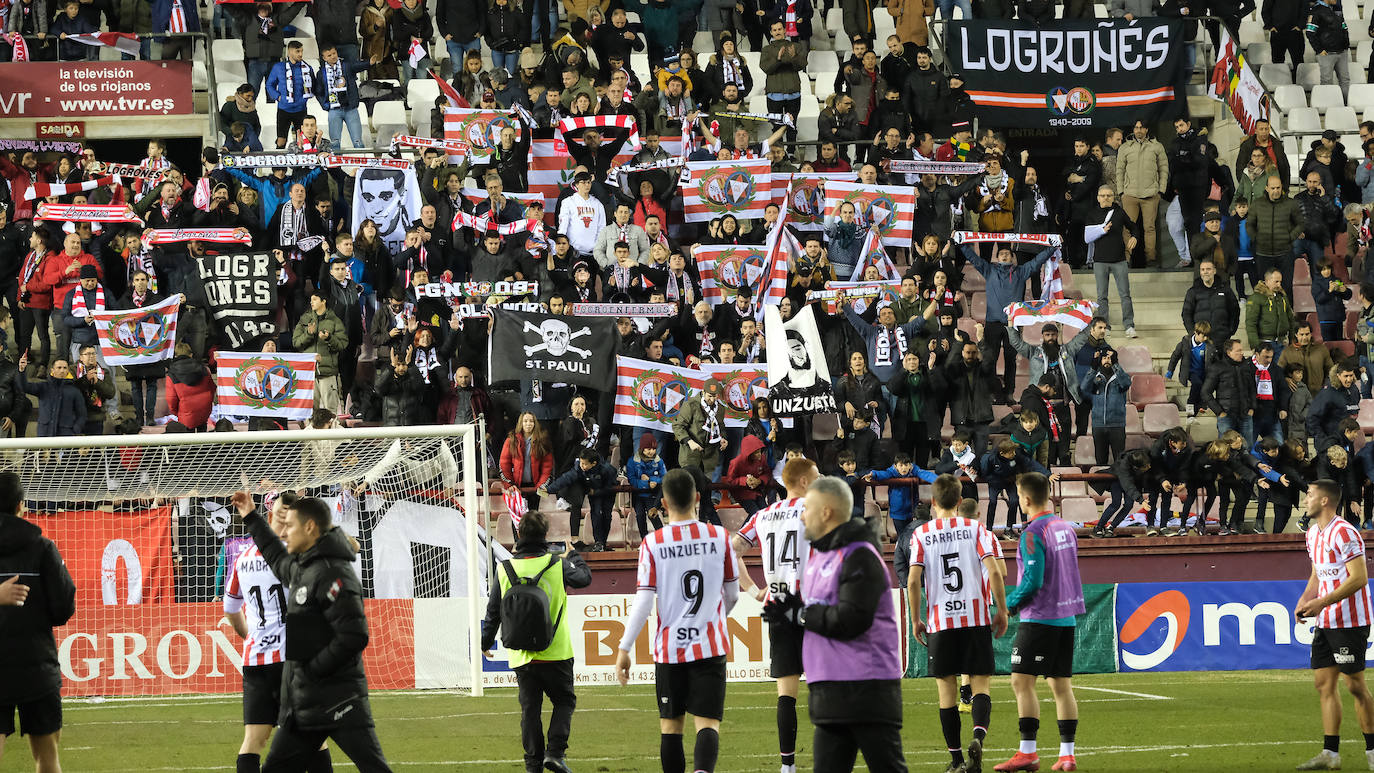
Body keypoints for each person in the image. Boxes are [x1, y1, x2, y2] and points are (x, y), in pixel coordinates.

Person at [228, 491, 394, 773]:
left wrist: (312, 669)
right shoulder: (303, 569)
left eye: (290, 526)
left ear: (309, 528)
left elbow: (354, 635)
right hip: (305, 701)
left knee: (373, 767)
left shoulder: (333, 573)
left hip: (340, 698)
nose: (284, 532)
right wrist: (250, 516)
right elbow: (275, 555)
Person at [765, 475, 906, 772]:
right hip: (830, 692)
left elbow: (851, 619)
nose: (802, 516)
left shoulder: (859, 555)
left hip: (866, 689)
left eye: (807, 508)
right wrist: (791, 613)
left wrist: (800, 615)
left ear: (826, 512)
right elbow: (822, 615)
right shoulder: (822, 557)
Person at [615, 469, 739, 773]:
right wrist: (713, 619)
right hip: (710, 647)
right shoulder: (719, 536)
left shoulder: (653, 543)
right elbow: (733, 594)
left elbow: (644, 601)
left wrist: (624, 647)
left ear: (665, 502)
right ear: (698, 498)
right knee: (708, 724)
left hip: (670, 650)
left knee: (671, 726)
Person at [224, 490, 333, 773]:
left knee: (253, 740)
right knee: (315, 737)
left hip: (256, 660)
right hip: (292, 661)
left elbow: (232, 610)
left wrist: (252, 637)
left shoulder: (243, 559)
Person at [908, 473, 1008, 773]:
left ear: (933, 502)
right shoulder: (977, 529)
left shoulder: (921, 534)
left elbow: (913, 580)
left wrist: (915, 618)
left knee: (946, 693)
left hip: (941, 622)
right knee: (981, 685)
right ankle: (978, 737)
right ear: (961, 501)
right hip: (975, 619)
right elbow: (995, 571)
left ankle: (955, 760)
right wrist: (1001, 610)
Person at [480, 509, 591, 773]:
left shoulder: (505, 568)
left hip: (522, 655)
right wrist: (573, 554)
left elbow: (493, 611)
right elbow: (584, 579)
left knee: (530, 710)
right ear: (545, 535)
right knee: (564, 701)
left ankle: (533, 766)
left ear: (519, 535)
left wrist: (485, 642)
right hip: (557, 651)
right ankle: (555, 752)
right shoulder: (556, 564)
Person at [731, 456, 821, 773]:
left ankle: (787, 766)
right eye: (817, 476)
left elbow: (733, 549)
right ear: (805, 482)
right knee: (829, 682)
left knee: (787, 690)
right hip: (812, 600)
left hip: (778, 601)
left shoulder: (764, 514)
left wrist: (754, 589)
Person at [994, 472, 1083, 773]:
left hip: (1040, 617)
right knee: (1061, 685)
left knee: (1021, 681)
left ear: (1027, 499)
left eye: (1019, 495)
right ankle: (1067, 755)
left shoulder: (1033, 532)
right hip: (1066, 617)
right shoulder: (1065, 527)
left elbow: (1033, 579)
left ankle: (1027, 752)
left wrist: (1009, 605)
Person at [1294, 479, 1374, 771]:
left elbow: (1359, 578)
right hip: (1326, 620)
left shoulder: (1346, 532)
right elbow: (1317, 573)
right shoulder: (1312, 533)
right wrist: (1305, 599)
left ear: (1325, 500)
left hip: (1351, 620)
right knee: (1323, 684)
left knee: (1354, 685)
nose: (1306, 500)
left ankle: (1373, 751)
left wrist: (1321, 603)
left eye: (1310, 495)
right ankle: (1331, 754)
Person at [0, 471, 76, 773]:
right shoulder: (42, 548)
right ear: (21, 505)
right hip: (36, 666)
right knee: (47, 759)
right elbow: (62, 609)